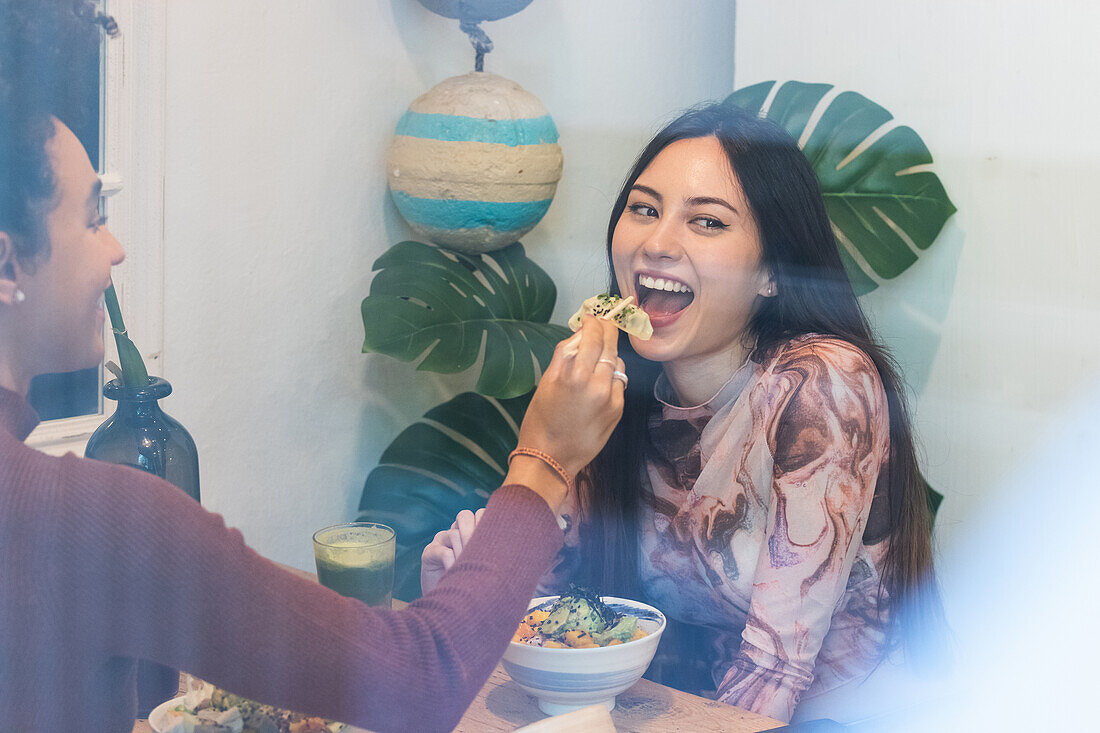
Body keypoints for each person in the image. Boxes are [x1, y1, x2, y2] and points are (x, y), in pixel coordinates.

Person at [0, 2, 627, 730]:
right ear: (8, 258)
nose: (114, 248)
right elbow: (418, 678)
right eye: (89, 217)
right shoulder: (84, 522)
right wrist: (544, 461)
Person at [426, 103, 945, 724]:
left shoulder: (820, 384)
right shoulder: (613, 389)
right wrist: (469, 588)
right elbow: (568, 616)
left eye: (706, 222)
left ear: (772, 273)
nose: (656, 242)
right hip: (673, 712)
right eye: (644, 209)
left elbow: (776, 670)